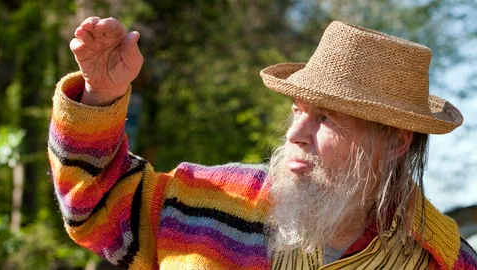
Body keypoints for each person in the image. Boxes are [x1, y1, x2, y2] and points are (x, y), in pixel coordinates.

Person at [48, 17, 477, 269]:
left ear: (397, 142)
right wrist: (100, 95)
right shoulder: (209, 203)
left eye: (325, 118)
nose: (294, 136)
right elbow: (95, 206)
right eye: (297, 111)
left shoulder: (444, 260)